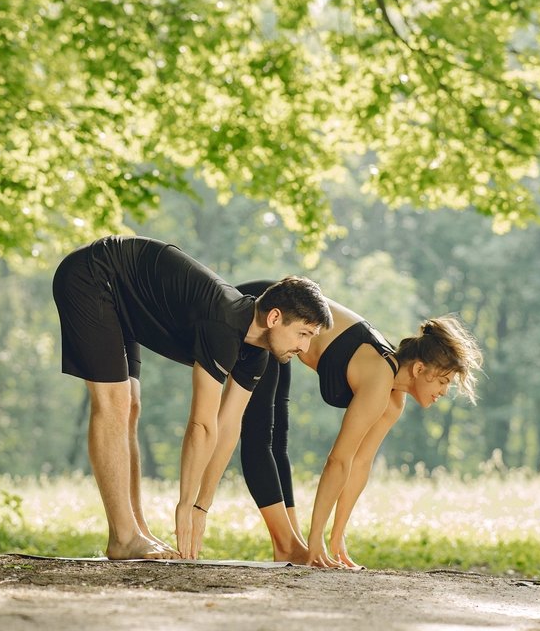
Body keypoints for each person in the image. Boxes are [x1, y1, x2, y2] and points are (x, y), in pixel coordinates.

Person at [52, 237, 332, 560]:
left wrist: (202, 505)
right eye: (303, 334)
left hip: (124, 302)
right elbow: (202, 425)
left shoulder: (256, 353)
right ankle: (124, 537)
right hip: (93, 276)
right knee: (115, 401)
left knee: (130, 406)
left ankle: (137, 530)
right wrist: (185, 503)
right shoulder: (223, 323)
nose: (305, 348)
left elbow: (227, 427)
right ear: (274, 318)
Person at [189, 279, 482, 568]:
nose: (444, 391)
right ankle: (289, 546)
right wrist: (317, 535)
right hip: (268, 314)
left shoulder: (394, 400)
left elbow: (359, 463)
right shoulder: (379, 378)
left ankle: (293, 545)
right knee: (260, 435)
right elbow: (338, 461)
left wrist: (336, 537)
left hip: (286, 333)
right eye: (443, 381)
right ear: (418, 368)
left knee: (278, 441)